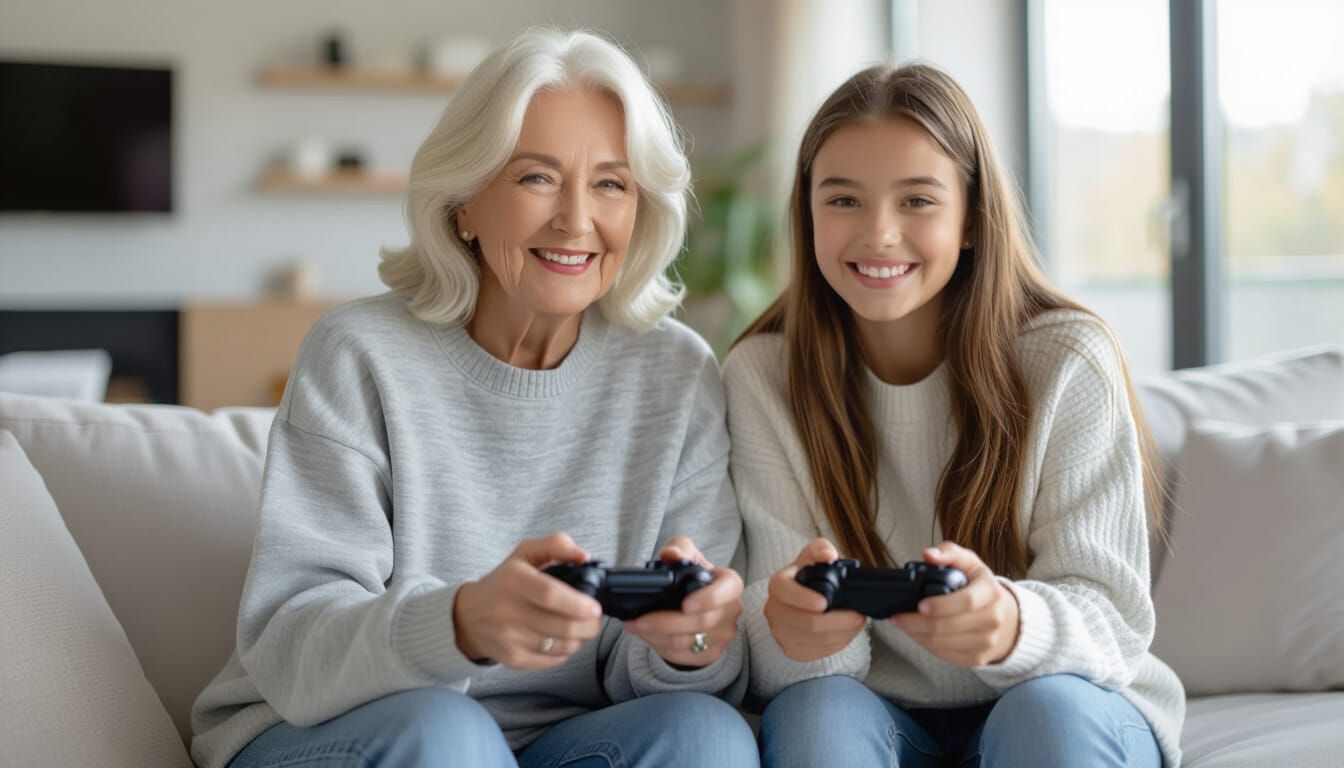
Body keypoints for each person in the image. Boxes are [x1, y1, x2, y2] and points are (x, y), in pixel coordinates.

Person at [190, 28, 757, 768]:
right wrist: (458, 624)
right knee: (449, 736)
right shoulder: (359, 353)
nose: (577, 220)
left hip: (561, 740)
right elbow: (292, 645)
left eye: (611, 184)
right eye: (536, 178)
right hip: (331, 729)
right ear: (463, 203)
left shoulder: (676, 373)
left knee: (706, 735)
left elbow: (685, 671)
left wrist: (689, 644)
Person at [723, 63, 1185, 767]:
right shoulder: (761, 375)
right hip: (875, 710)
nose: (878, 234)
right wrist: (801, 632)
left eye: (917, 201)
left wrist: (1009, 625)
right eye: (842, 200)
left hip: (1063, 698)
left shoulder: (1067, 359)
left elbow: (1113, 621)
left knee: (1046, 716)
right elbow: (771, 646)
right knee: (818, 716)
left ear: (971, 219)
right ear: (807, 213)